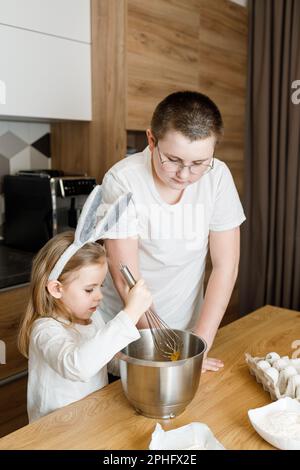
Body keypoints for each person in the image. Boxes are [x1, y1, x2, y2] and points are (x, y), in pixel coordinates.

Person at [98, 91, 246, 372]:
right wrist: (161, 347)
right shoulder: (123, 181)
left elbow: (227, 266)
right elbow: (125, 278)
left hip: (184, 330)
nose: (185, 175)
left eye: (199, 163)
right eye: (174, 160)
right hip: (127, 333)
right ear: (151, 140)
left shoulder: (218, 177)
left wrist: (199, 344)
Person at [18, 190, 152, 422]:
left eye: (100, 286)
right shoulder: (45, 330)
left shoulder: (92, 317)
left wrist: (143, 368)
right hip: (53, 435)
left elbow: (105, 358)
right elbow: (78, 366)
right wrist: (129, 314)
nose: (98, 296)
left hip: (90, 419)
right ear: (56, 289)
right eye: (89, 289)